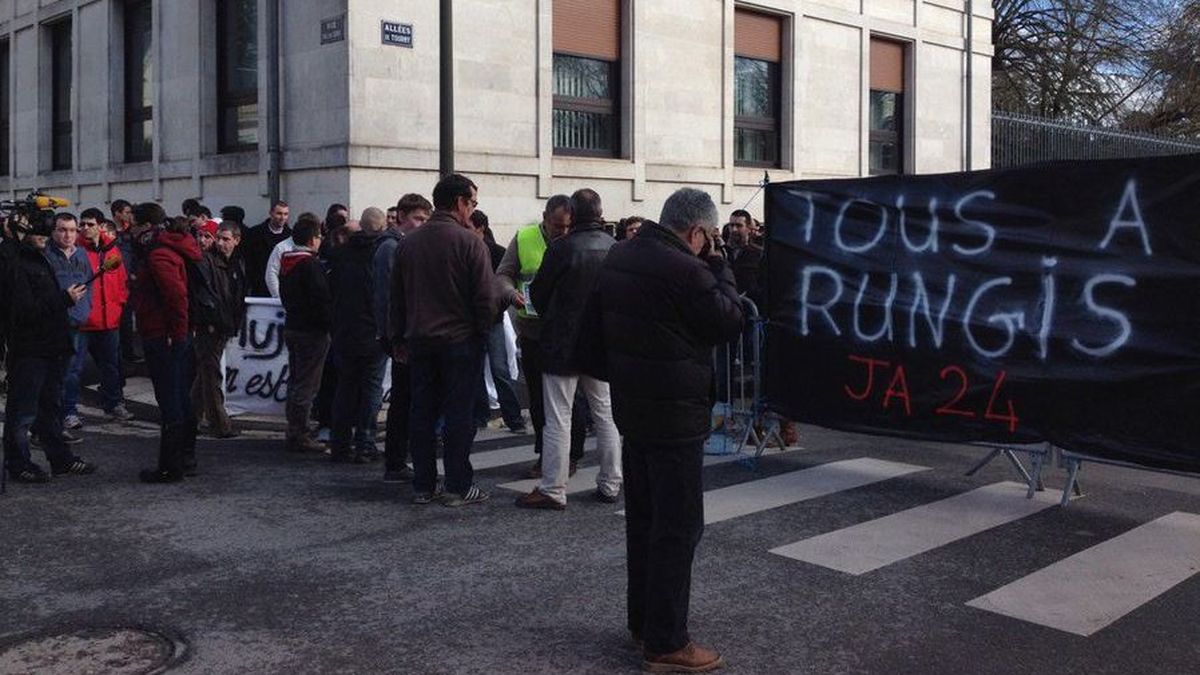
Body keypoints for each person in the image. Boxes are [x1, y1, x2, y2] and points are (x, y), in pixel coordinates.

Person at [593, 188, 743, 672]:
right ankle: (667, 641)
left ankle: (644, 623)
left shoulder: (623, 253)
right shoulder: (687, 268)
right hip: (675, 412)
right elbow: (727, 319)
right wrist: (721, 268)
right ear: (697, 231)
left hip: (635, 407)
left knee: (645, 522)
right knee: (678, 528)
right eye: (709, 237)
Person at [391, 173, 494, 507]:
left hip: (420, 338)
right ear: (460, 203)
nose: (472, 209)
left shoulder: (408, 243)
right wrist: (483, 331)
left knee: (421, 412)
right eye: (472, 203)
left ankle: (423, 484)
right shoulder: (470, 242)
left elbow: (397, 297)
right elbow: (484, 299)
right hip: (460, 340)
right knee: (458, 415)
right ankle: (457, 485)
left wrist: (398, 338)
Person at [515, 189, 621, 510]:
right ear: (600, 213)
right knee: (605, 414)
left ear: (572, 215)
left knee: (558, 417)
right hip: (599, 342)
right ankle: (611, 482)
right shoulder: (614, 248)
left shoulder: (562, 248)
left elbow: (541, 294)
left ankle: (553, 487)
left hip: (562, 342)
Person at [495, 195, 588, 478]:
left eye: (568, 226)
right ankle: (546, 454)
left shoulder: (578, 241)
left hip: (571, 332)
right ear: (545, 217)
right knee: (538, 399)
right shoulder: (524, 238)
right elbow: (503, 275)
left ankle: (571, 455)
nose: (563, 232)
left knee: (573, 399)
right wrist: (511, 294)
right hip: (534, 331)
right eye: (557, 226)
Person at [2, 213, 95, 483]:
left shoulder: (41, 258)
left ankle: (61, 459)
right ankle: (19, 464)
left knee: (50, 408)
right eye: (36, 230)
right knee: (23, 412)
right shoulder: (14, 262)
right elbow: (23, 311)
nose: (43, 234)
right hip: (29, 349)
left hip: (53, 345)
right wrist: (64, 299)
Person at [135, 207, 203, 483]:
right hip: (174, 334)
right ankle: (184, 458)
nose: (132, 230)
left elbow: (176, 297)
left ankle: (170, 465)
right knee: (180, 397)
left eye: (135, 225)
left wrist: (177, 334)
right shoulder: (176, 248)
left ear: (147, 226)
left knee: (170, 400)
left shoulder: (160, 254)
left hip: (164, 335)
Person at [374, 193, 432, 482]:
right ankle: (395, 461)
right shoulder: (391, 248)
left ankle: (398, 457)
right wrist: (394, 338)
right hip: (400, 335)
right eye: (418, 219)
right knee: (402, 400)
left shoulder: (401, 246)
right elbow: (388, 297)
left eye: (425, 219)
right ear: (401, 218)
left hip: (404, 332)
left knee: (406, 398)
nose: (422, 225)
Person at [327, 207, 389, 463]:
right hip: (371, 330)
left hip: (344, 330)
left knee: (345, 388)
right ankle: (365, 442)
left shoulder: (339, 255)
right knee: (371, 389)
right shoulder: (378, 254)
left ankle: (339, 443)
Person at [67, 208, 134, 424]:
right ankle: (69, 410)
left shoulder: (112, 250)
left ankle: (114, 404)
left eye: (90, 224)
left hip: (108, 320)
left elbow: (121, 282)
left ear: (100, 226)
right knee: (73, 369)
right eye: (82, 224)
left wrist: (118, 306)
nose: (85, 228)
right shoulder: (74, 250)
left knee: (111, 366)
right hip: (83, 320)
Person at [468, 210, 525, 434]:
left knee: (499, 369)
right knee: (478, 369)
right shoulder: (468, 249)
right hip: (478, 318)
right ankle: (481, 414)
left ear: (480, 227)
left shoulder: (497, 252)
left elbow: (504, 282)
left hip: (492, 318)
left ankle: (513, 416)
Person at [279, 216, 332, 453]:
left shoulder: (287, 262)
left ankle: (294, 426)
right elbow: (322, 299)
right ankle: (299, 431)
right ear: (313, 239)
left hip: (293, 325)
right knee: (308, 383)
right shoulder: (310, 265)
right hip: (312, 330)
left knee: (296, 378)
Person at [190, 221, 246, 439]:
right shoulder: (207, 262)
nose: (221, 243)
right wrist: (213, 320)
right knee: (211, 373)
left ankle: (189, 417)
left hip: (223, 324)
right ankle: (219, 423)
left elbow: (235, 295)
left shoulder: (236, 263)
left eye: (226, 239)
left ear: (236, 241)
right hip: (210, 325)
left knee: (205, 374)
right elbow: (206, 296)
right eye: (219, 238)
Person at [43, 213, 93, 433]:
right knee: (54, 372)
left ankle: (69, 412)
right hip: (55, 323)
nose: (68, 235)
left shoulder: (81, 254)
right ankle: (50, 417)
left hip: (78, 322)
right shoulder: (46, 255)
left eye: (72, 230)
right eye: (63, 230)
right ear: (53, 232)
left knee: (74, 371)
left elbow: (88, 284)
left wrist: (86, 310)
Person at [241, 200, 290, 297]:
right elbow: (247, 259)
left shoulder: (290, 236)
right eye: (279, 213)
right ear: (271, 213)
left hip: (283, 286)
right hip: (259, 286)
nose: (282, 217)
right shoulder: (254, 234)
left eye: (285, 214)